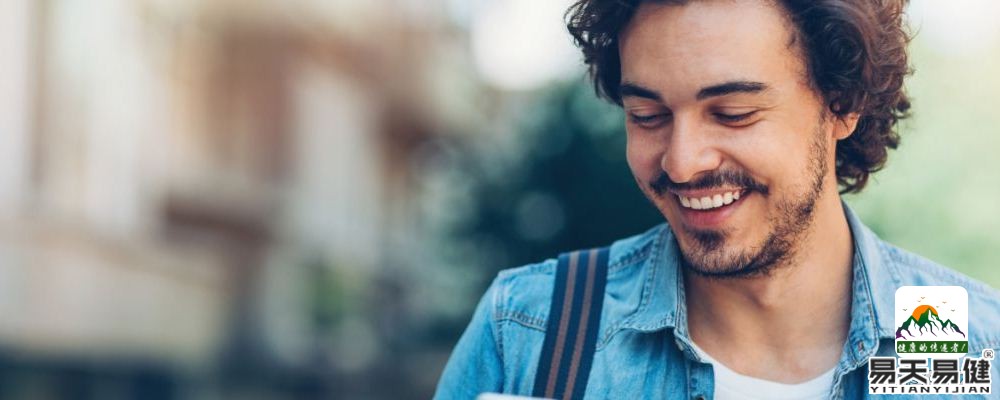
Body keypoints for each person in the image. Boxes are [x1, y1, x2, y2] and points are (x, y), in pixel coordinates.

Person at [434, 0, 1000, 399]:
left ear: (843, 103)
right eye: (647, 117)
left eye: (733, 114)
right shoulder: (531, 330)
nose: (682, 162)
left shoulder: (966, 344)